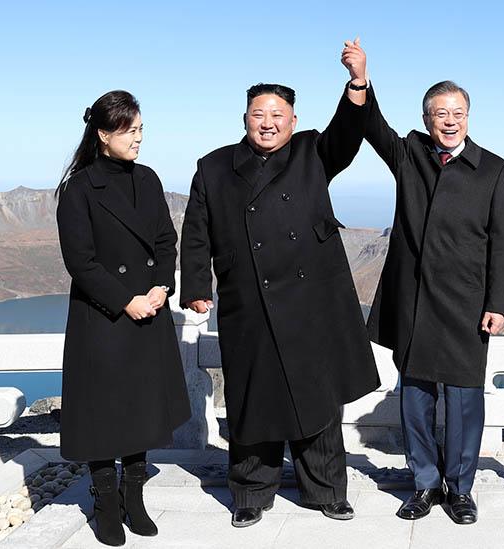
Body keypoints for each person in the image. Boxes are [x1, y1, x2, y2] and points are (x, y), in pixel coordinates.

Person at [178, 40, 380, 528]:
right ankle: (250, 493)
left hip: (312, 301)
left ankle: (328, 490)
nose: (266, 123)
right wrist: (196, 286)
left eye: (277, 114)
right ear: (244, 118)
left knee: (318, 398)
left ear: (292, 119)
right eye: (257, 114)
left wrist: (357, 82)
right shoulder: (214, 166)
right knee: (252, 397)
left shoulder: (313, 150)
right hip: (248, 298)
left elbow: (348, 133)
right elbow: (196, 229)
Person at [356, 39, 504, 525]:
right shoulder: (410, 155)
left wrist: (498, 302)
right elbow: (371, 125)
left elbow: (502, 243)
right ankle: (424, 484)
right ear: (428, 119)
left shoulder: (492, 169)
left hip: (467, 303)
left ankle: (460, 489)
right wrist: (361, 80)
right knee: (416, 398)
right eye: (440, 113)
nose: (450, 121)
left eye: (458, 112)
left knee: (466, 401)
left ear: (469, 117)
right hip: (416, 301)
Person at [55, 90, 191, 546]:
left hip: (148, 310)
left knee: (140, 408)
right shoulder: (78, 188)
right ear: (103, 134)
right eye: (129, 131)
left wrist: (160, 285)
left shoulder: (148, 180)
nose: (138, 138)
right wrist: (124, 300)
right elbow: (81, 261)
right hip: (103, 317)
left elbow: (164, 240)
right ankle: (105, 500)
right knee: (102, 414)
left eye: (140, 130)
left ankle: (134, 497)